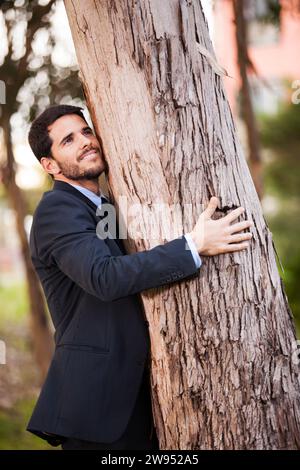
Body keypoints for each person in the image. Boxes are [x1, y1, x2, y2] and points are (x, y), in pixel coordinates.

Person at [26, 105, 253, 450]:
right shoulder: (57, 210)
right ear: (51, 165)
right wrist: (194, 245)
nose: (85, 142)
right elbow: (104, 277)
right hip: (97, 405)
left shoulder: (106, 205)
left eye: (86, 132)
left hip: (140, 395)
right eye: (68, 140)